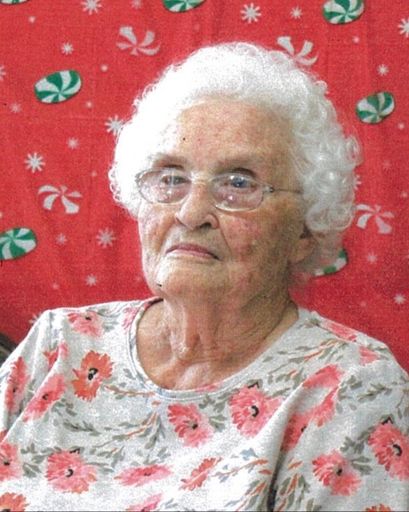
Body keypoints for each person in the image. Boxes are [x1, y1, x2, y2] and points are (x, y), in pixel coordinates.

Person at [0, 42, 408, 512]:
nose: (191, 213)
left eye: (239, 183)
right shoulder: (61, 344)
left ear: (304, 230)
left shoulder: (353, 388)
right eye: (171, 178)